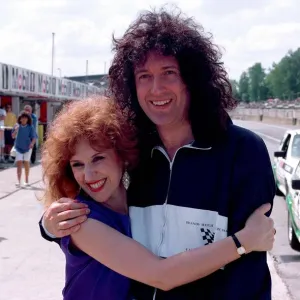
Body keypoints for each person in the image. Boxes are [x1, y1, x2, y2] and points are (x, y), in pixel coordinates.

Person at [39, 8, 276, 300]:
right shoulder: (136, 152)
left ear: (193, 78)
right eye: (143, 76)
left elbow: (251, 266)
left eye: (169, 73)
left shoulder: (244, 152)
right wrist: (49, 226)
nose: (156, 88)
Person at [41, 97, 274, 300]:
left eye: (98, 158)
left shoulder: (138, 202)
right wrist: (245, 241)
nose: (88, 175)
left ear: (122, 156)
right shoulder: (81, 220)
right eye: (77, 164)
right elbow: (161, 275)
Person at [12, 111, 36, 187]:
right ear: (20, 119)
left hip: (27, 148)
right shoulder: (16, 125)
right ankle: (19, 181)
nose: (24, 119)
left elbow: (34, 137)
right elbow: (13, 136)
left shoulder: (30, 127)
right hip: (18, 147)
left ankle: (26, 180)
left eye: (25, 118)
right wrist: (16, 130)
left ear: (28, 119)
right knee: (19, 164)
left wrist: (32, 143)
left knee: (26, 163)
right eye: (23, 118)